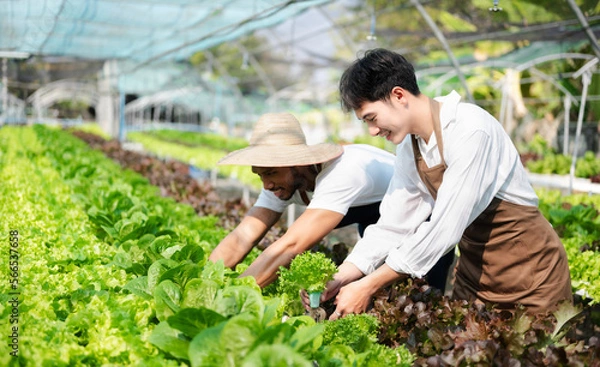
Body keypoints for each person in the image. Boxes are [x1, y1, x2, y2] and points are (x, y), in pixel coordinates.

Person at [321, 48, 572, 319]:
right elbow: (394, 224)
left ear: (398, 95)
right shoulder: (410, 145)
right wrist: (344, 274)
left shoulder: (470, 129)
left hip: (533, 278)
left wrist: (369, 285)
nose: (372, 130)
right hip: (476, 277)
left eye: (371, 118)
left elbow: (444, 228)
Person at [208, 112, 456, 288]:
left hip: (425, 218)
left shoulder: (344, 172)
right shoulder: (281, 181)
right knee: (371, 285)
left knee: (421, 292)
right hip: (377, 222)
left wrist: (238, 294)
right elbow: (244, 235)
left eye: (270, 173)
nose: (266, 184)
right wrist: (206, 280)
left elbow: (291, 245)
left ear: (297, 162)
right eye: (260, 175)